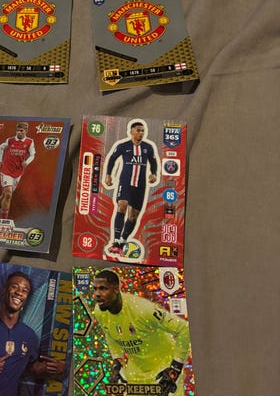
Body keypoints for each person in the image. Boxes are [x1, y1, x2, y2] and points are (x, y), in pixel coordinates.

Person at [92, 269, 190, 395]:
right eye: (95, 289)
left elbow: (183, 329)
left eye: (103, 289)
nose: (97, 294)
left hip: (163, 372)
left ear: (116, 289)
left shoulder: (143, 310)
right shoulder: (100, 312)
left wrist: (175, 369)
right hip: (135, 375)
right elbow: (109, 333)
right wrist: (117, 362)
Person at [103, 119, 158, 255]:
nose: (141, 133)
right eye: (138, 130)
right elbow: (112, 159)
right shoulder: (123, 146)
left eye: (143, 130)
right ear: (131, 131)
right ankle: (115, 241)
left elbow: (153, 161)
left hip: (140, 186)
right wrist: (108, 175)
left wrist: (154, 173)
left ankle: (121, 243)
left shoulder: (148, 147)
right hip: (125, 182)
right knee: (122, 205)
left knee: (133, 217)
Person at [0, 122, 35, 220]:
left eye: (21, 131)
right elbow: (1, 147)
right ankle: (3, 220)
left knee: (5, 194)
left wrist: (27, 162)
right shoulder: (10, 140)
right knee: (8, 194)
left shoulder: (29, 142)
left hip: (18, 172)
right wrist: (0, 161)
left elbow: (32, 155)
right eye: (17, 130)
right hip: (6, 170)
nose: (19, 132)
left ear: (26, 131)